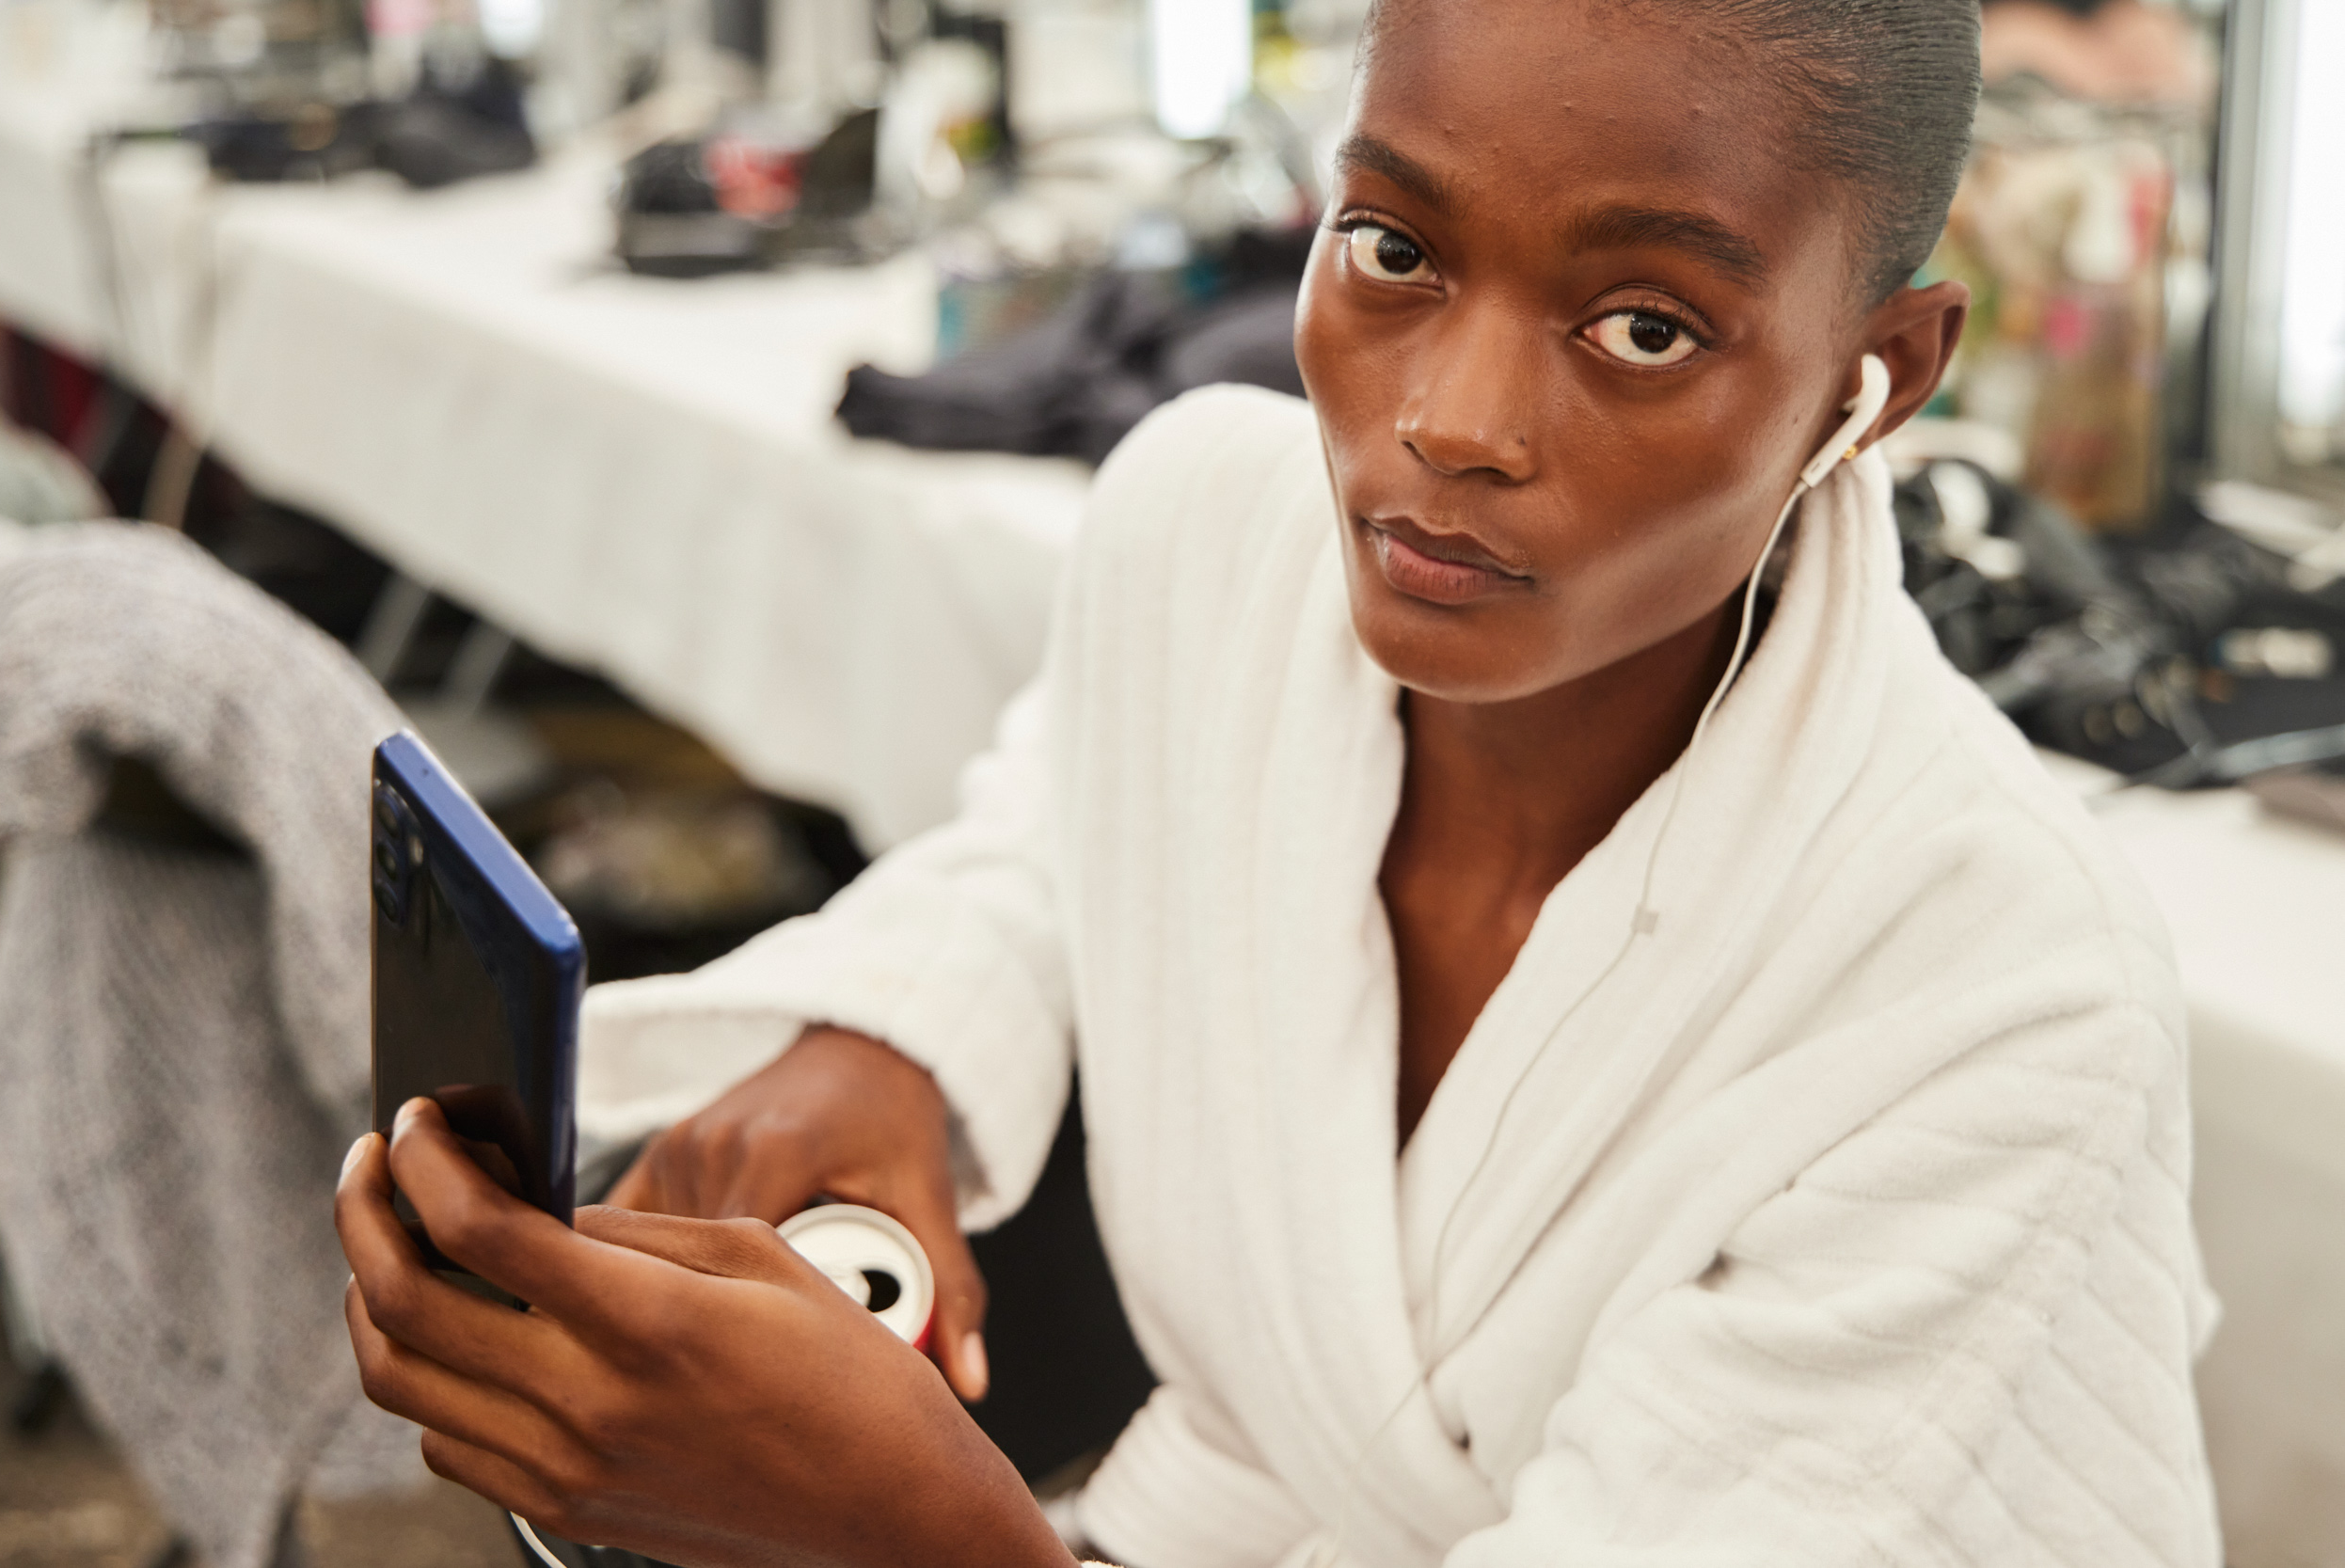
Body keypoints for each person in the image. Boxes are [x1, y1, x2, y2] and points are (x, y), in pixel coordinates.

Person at [335, 0, 2223, 1563]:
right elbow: (1067, 828)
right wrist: (885, 1040)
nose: (1449, 425)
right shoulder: (1206, 529)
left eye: (1641, 326)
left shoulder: (2002, 995)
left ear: (1871, 377)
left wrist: (917, 1540)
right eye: (1392, 249)